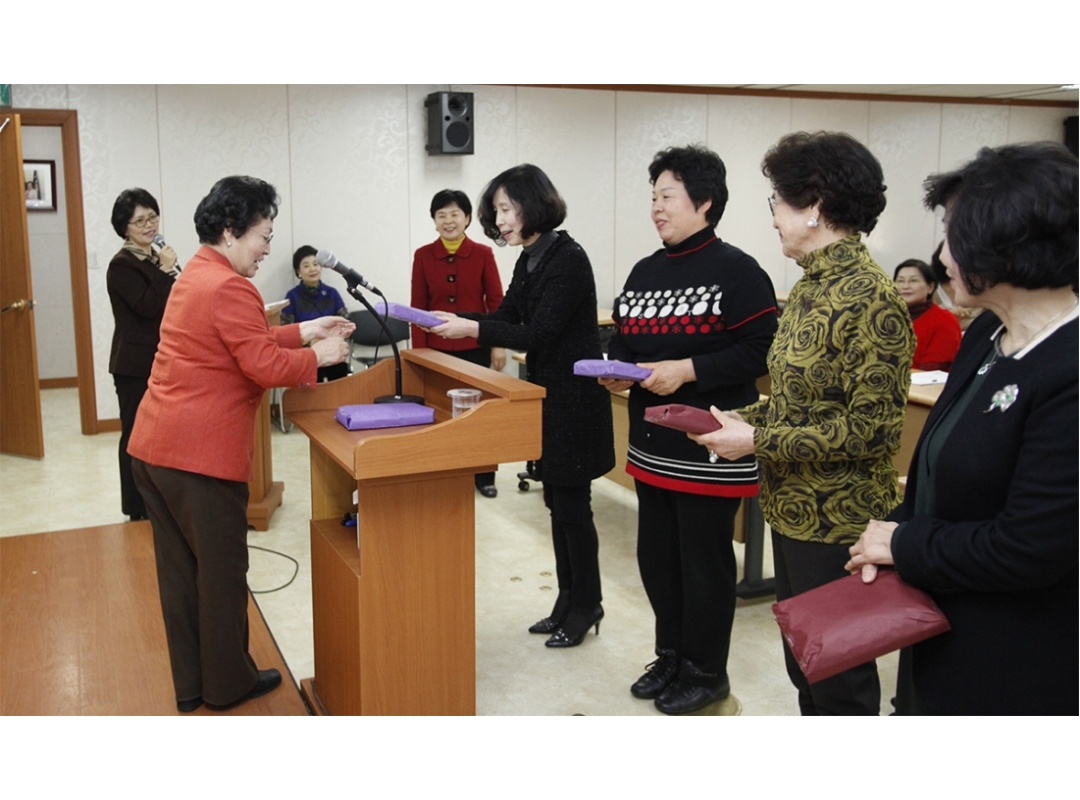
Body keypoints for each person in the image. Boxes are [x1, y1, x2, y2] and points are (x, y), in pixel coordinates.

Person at [846, 142, 1078, 715]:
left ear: (1010, 241)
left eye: (954, 234)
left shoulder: (1069, 368)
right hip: (941, 619)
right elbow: (937, 469)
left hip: (1017, 652)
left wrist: (903, 544)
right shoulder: (985, 335)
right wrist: (891, 530)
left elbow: (1030, 549)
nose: (942, 254)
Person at [691, 132, 914, 715]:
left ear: (814, 205)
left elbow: (872, 430)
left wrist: (758, 439)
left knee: (839, 679)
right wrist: (741, 418)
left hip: (838, 520)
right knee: (806, 665)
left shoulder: (870, 297)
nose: (773, 218)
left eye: (777, 202)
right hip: (791, 507)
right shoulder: (813, 286)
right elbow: (801, 402)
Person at [128, 176, 353, 713]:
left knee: (182, 578)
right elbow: (261, 364)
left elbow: (240, 341)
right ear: (231, 230)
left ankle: (193, 687)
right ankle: (228, 685)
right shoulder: (230, 286)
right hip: (197, 460)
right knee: (222, 577)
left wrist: (305, 331)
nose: (268, 249)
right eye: (263, 236)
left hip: (155, 449)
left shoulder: (198, 273)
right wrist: (319, 357)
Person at [601, 145, 777, 715]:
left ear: (704, 202)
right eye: (653, 196)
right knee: (658, 559)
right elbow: (624, 339)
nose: (656, 207)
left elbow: (761, 349)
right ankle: (671, 656)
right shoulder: (645, 270)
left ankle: (707, 671)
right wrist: (617, 369)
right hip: (651, 443)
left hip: (709, 444)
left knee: (703, 564)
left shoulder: (738, 270)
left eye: (667, 196)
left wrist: (689, 370)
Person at [429, 164, 615, 647]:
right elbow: (506, 316)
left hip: (575, 401)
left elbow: (538, 333)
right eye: (496, 211)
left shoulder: (568, 258)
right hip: (546, 398)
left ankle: (587, 602)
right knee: (556, 504)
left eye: (506, 209)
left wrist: (470, 328)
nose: (500, 220)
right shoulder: (530, 258)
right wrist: (454, 318)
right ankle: (567, 599)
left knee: (573, 506)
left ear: (533, 206)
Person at [411, 189, 506, 497]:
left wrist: (498, 343)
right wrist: (419, 352)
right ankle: (444, 469)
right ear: (434, 220)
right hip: (436, 349)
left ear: (467, 218)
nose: (448, 221)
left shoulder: (483, 253)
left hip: (476, 347)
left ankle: (484, 475)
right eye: (441, 215)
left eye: (455, 214)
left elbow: (496, 302)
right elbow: (418, 307)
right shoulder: (423, 256)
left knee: (480, 414)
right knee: (440, 412)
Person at [106, 188, 181, 522]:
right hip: (133, 364)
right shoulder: (121, 265)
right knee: (135, 435)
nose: (149, 225)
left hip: (161, 359)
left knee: (160, 435)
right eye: (140, 221)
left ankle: (158, 501)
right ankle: (135, 508)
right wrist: (165, 271)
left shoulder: (153, 257)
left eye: (153, 217)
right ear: (124, 227)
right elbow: (147, 307)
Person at [282, 244, 350, 382]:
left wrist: (333, 338)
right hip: (306, 355)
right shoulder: (292, 297)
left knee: (340, 373)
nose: (312, 269)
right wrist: (310, 343)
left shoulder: (332, 293)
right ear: (298, 271)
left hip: (332, 350)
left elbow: (346, 321)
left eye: (316, 264)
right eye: (306, 266)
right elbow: (286, 330)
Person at [893, 258, 962, 371]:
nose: (905, 286)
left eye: (913, 281)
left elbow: (931, 374)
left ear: (930, 287)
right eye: (900, 281)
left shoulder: (945, 322)